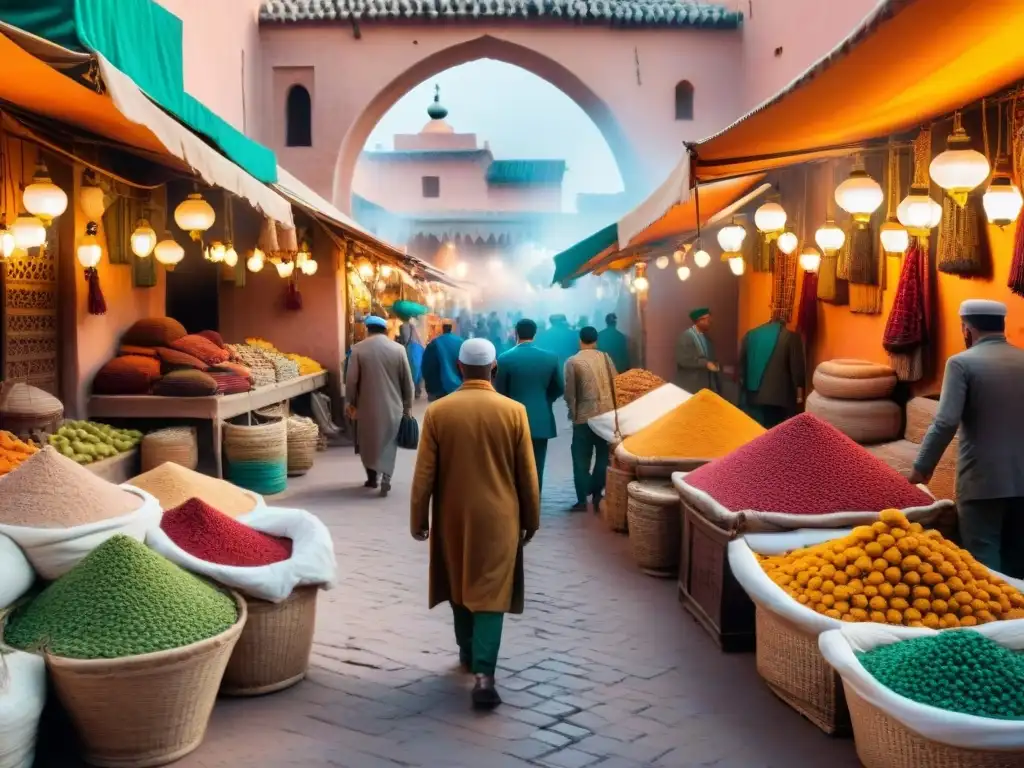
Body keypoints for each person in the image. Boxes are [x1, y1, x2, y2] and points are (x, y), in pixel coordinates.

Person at [410, 338, 540, 710]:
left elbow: (424, 475)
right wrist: (531, 518)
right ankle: (484, 674)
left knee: (459, 582)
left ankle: (467, 652)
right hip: (500, 518)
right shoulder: (514, 411)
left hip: (453, 515)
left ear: (461, 369)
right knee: (490, 592)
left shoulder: (439, 412)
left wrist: (419, 517)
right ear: (494, 369)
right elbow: (527, 475)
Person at [909, 300, 1024, 577]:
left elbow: (946, 421)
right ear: (1002, 326)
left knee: (984, 564)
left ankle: (994, 619)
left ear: (967, 328)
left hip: (982, 481)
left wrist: (921, 469)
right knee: (1018, 560)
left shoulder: (962, 363)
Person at [345, 315, 414, 496]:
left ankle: (372, 478)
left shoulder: (358, 349)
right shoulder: (398, 349)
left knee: (367, 443)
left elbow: (351, 380)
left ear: (368, 329)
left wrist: (349, 402)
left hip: (366, 407)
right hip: (393, 407)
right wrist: (408, 405)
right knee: (389, 443)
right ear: (384, 329)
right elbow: (407, 381)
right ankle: (386, 477)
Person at [496, 318, 563, 493]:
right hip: (541, 418)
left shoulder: (505, 358)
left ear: (516, 333)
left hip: (512, 421)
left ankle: (515, 501)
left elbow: (500, 392)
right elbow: (559, 387)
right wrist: (545, 400)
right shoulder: (550, 358)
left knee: (514, 464)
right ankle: (534, 502)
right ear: (535, 333)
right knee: (537, 465)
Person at [564, 326, 617, 512]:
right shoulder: (605, 357)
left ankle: (581, 500)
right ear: (596, 340)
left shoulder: (573, 361)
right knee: (603, 456)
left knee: (580, 458)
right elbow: (615, 383)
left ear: (580, 340)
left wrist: (572, 411)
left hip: (584, 417)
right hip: (606, 415)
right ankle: (596, 494)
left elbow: (570, 392)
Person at [676, 307, 720, 394]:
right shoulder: (686, 337)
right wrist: (706, 364)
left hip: (706, 384)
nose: (710, 322)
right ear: (699, 320)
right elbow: (683, 360)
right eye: (708, 319)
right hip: (691, 385)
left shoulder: (706, 338)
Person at [421, 320, 463, 401]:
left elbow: (426, 365)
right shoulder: (461, 342)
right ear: (451, 329)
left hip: (439, 388)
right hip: (459, 387)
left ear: (443, 329)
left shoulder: (434, 343)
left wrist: (429, 386)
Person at [398, 316, 425, 399]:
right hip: (418, 348)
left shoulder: (402, 327)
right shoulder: (413, 326)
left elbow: (404, 340)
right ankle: (417, 391)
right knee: (418, 370)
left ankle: (411, 391)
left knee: (410, 370)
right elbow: (419, 339)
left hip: (410, 349)